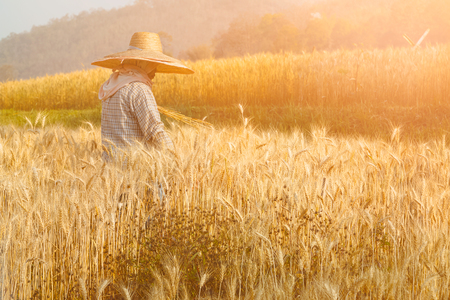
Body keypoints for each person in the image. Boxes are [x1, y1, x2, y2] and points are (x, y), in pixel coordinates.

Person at [91, 32, 194, 162]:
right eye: (153, 65)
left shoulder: (111, 85)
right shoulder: (140, 89)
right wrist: (176, 158)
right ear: (142, 63)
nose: (155, 71)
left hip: (110, 170)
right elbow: (155, 131)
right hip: (135, 169)